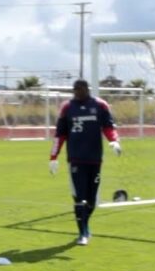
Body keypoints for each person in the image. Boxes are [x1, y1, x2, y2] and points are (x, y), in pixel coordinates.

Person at [49, 79, 122, 245]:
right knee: (79, 198)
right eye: (74, 90)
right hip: (75, 159)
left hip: (95, 159)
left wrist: (114, 141)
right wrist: (53, 157)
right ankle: (82, 233)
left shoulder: (100, 105)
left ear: (86, 89)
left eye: (79, 89)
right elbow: (60, 134)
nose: (76, 92)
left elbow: (108, 127)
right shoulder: (67, 107)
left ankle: (85, 225)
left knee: (91, 200)